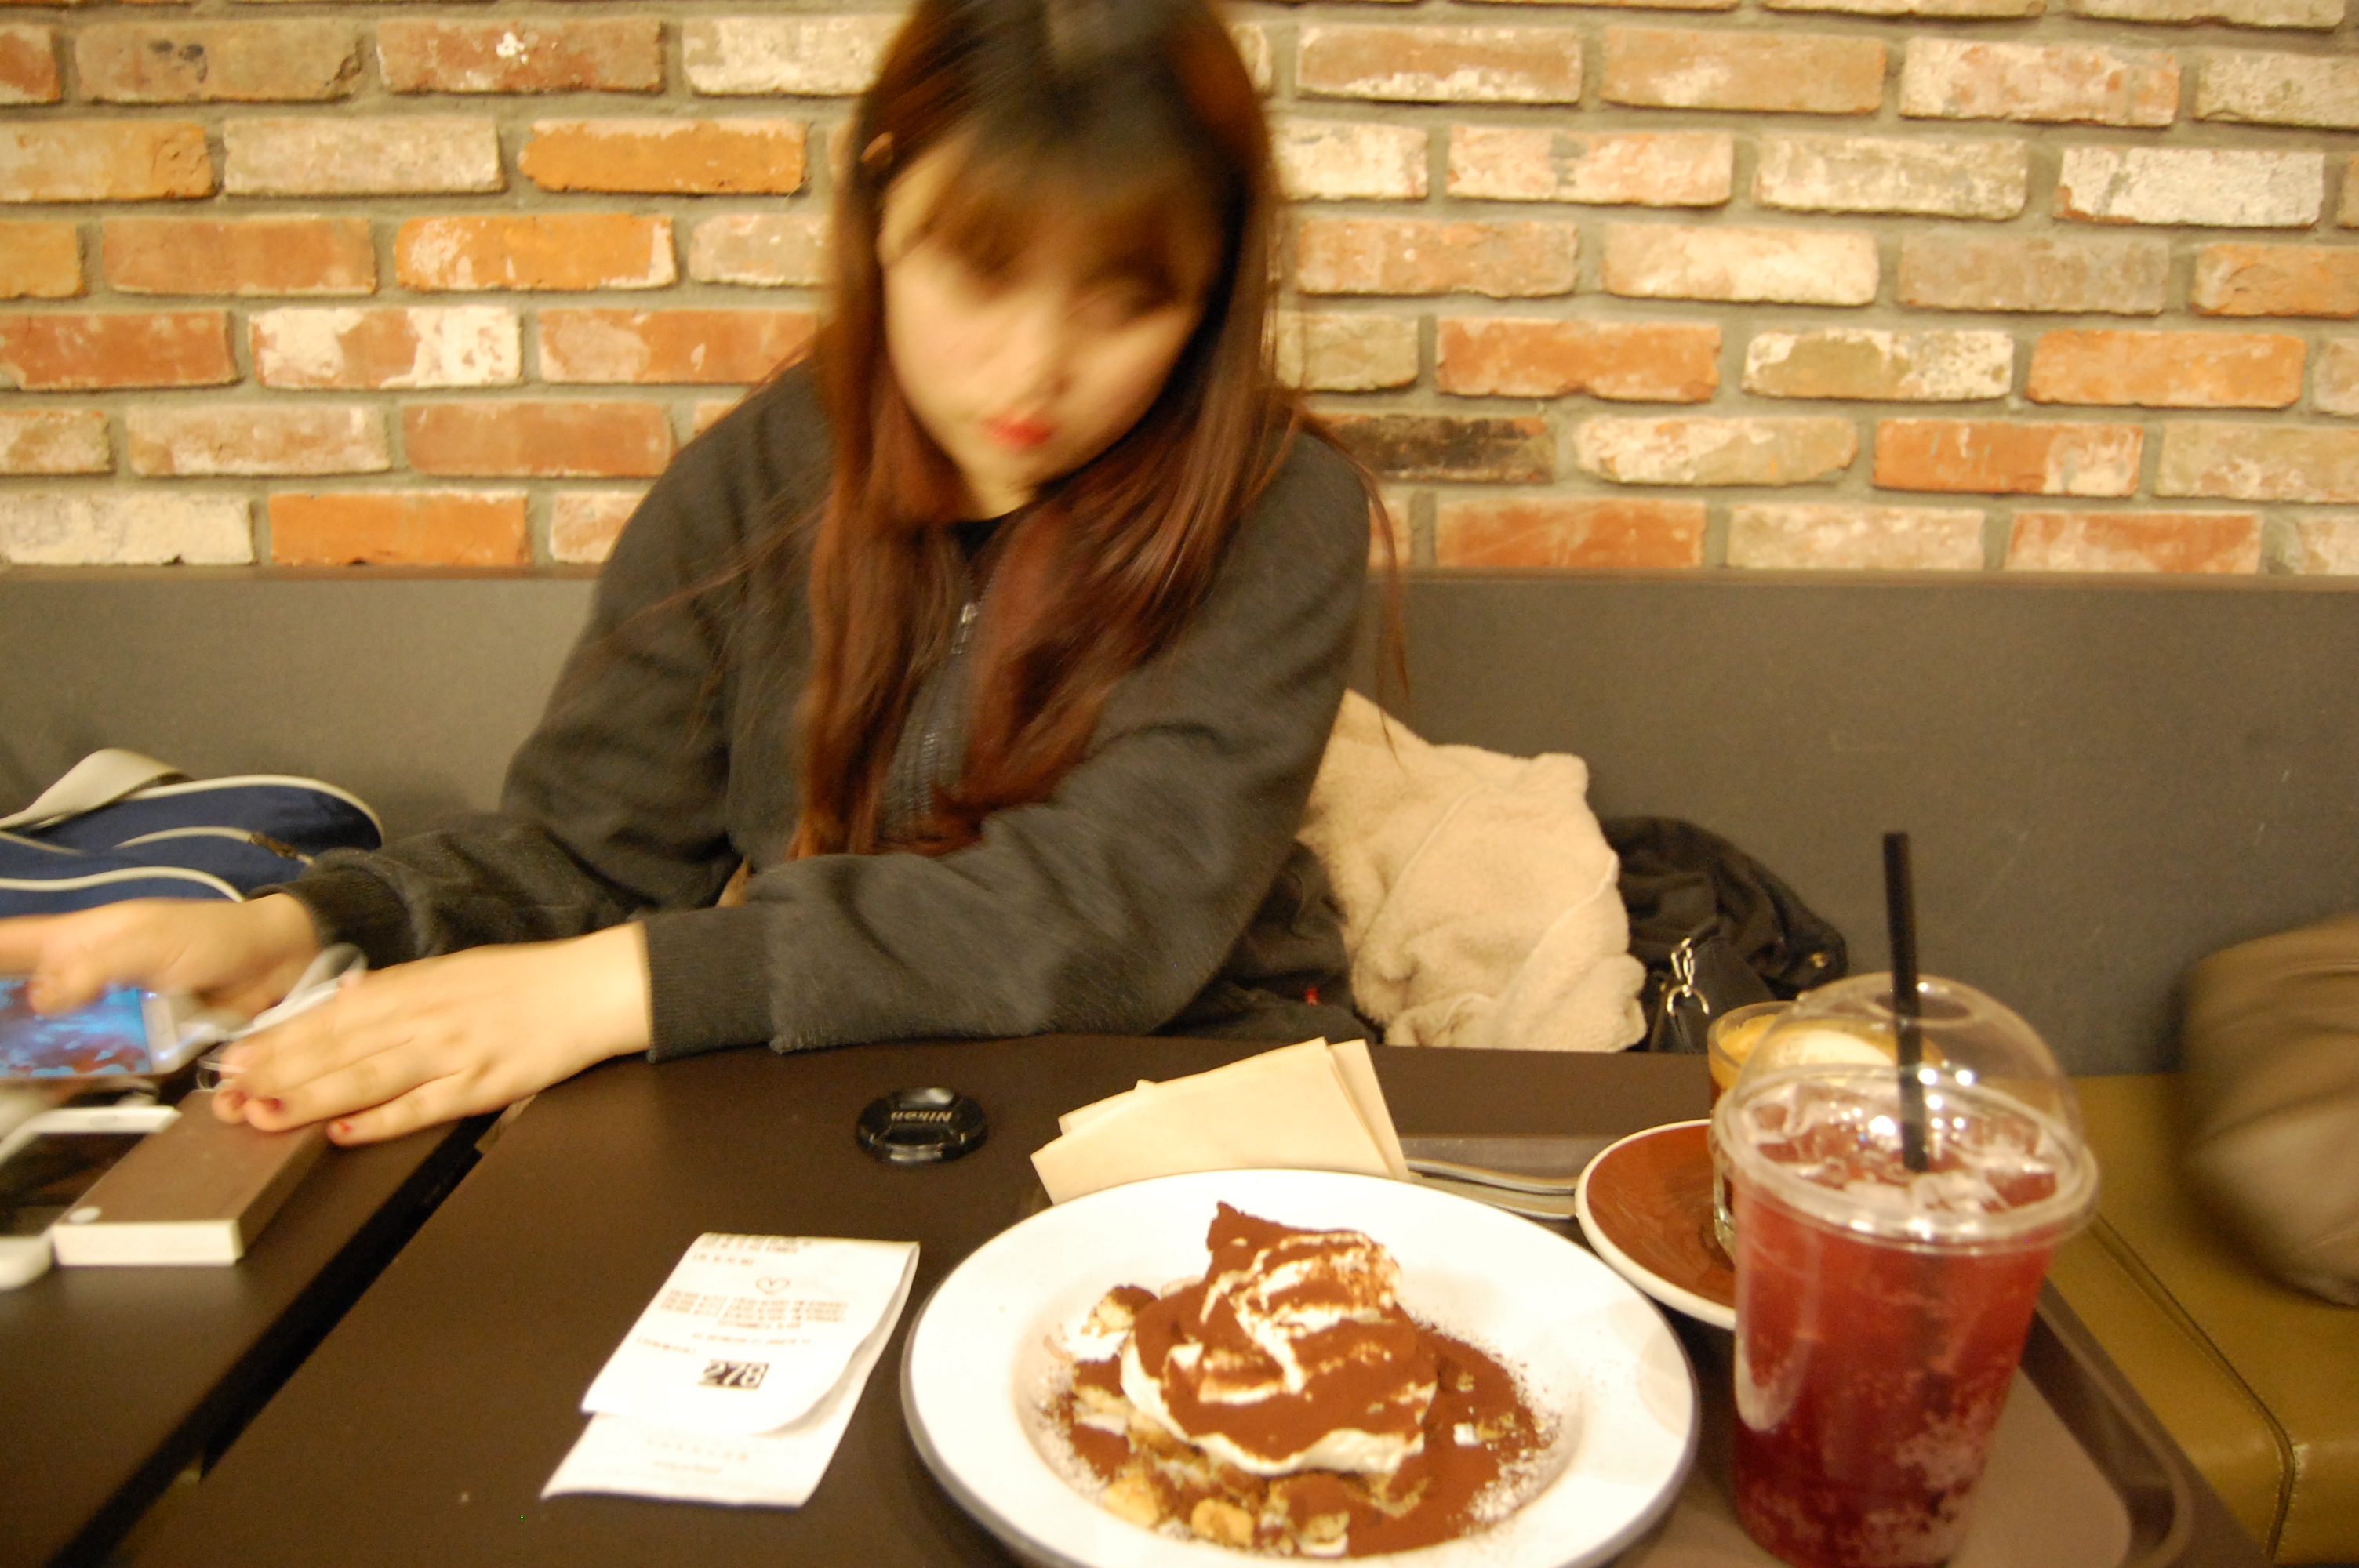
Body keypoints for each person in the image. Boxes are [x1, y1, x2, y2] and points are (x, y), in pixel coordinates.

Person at [0, 0, 1379, 1146]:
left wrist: (628, 985)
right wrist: (299, 926)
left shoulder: (1276, 506)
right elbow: (587, 851)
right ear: (881, 202)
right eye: (979, 269)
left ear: (1210, 295)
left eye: (1127, 298)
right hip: (853, 1086)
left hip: (1200, 1089)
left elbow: (1110, 907)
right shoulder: (759, 477)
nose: (1033, 370)